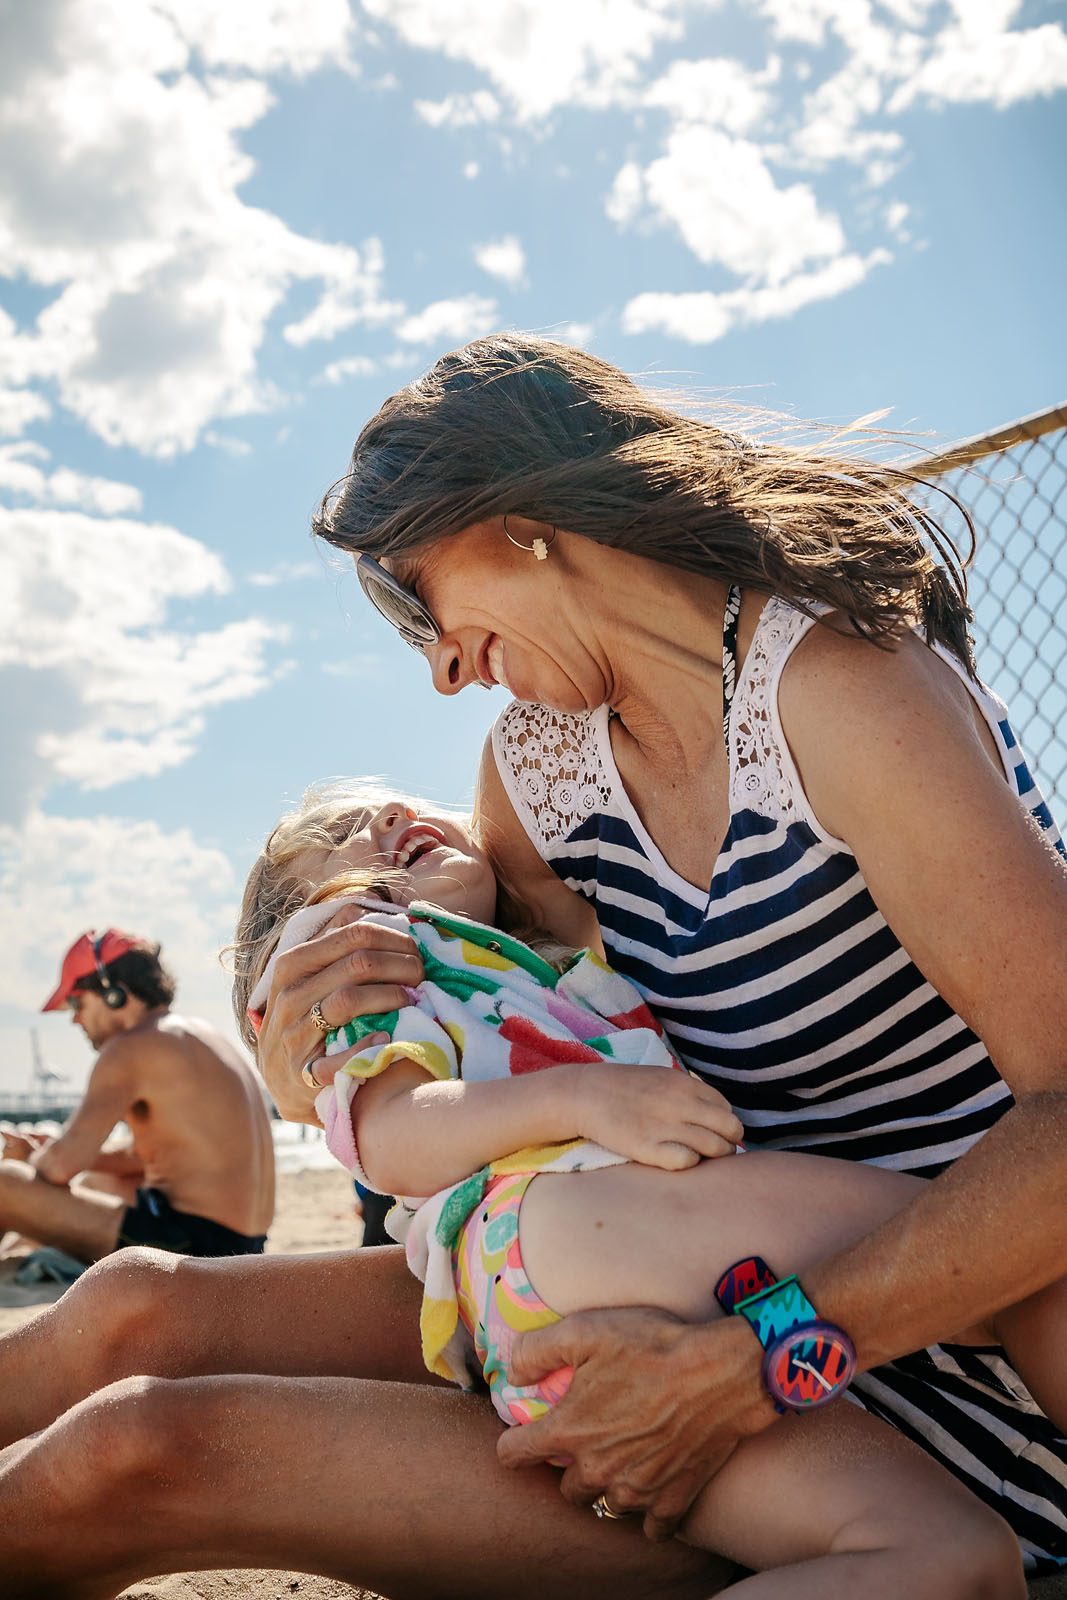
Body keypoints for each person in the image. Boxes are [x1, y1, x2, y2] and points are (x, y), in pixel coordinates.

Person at [258, 333, 1065, 1572]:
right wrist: (308, 1056)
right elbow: (503, 1036)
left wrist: (758, 1359)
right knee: (131, 1358)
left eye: (413, 596)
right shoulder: (538, 771)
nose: (438, 666)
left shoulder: (836, 689)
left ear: (517, 522)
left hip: (960, 1302)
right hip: (795, 1346)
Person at [0, 928, 275, 1264]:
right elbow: (150, 1154)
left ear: (112, 992)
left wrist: (29, 1158)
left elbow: (58, 1168)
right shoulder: (200, 1036)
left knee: (6, 1184)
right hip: (242, 1247)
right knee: (101, 1179)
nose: (74, 1018)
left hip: (193, 1250)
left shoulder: (130, 1048)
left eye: (76, 1002)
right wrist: (51, 1150)